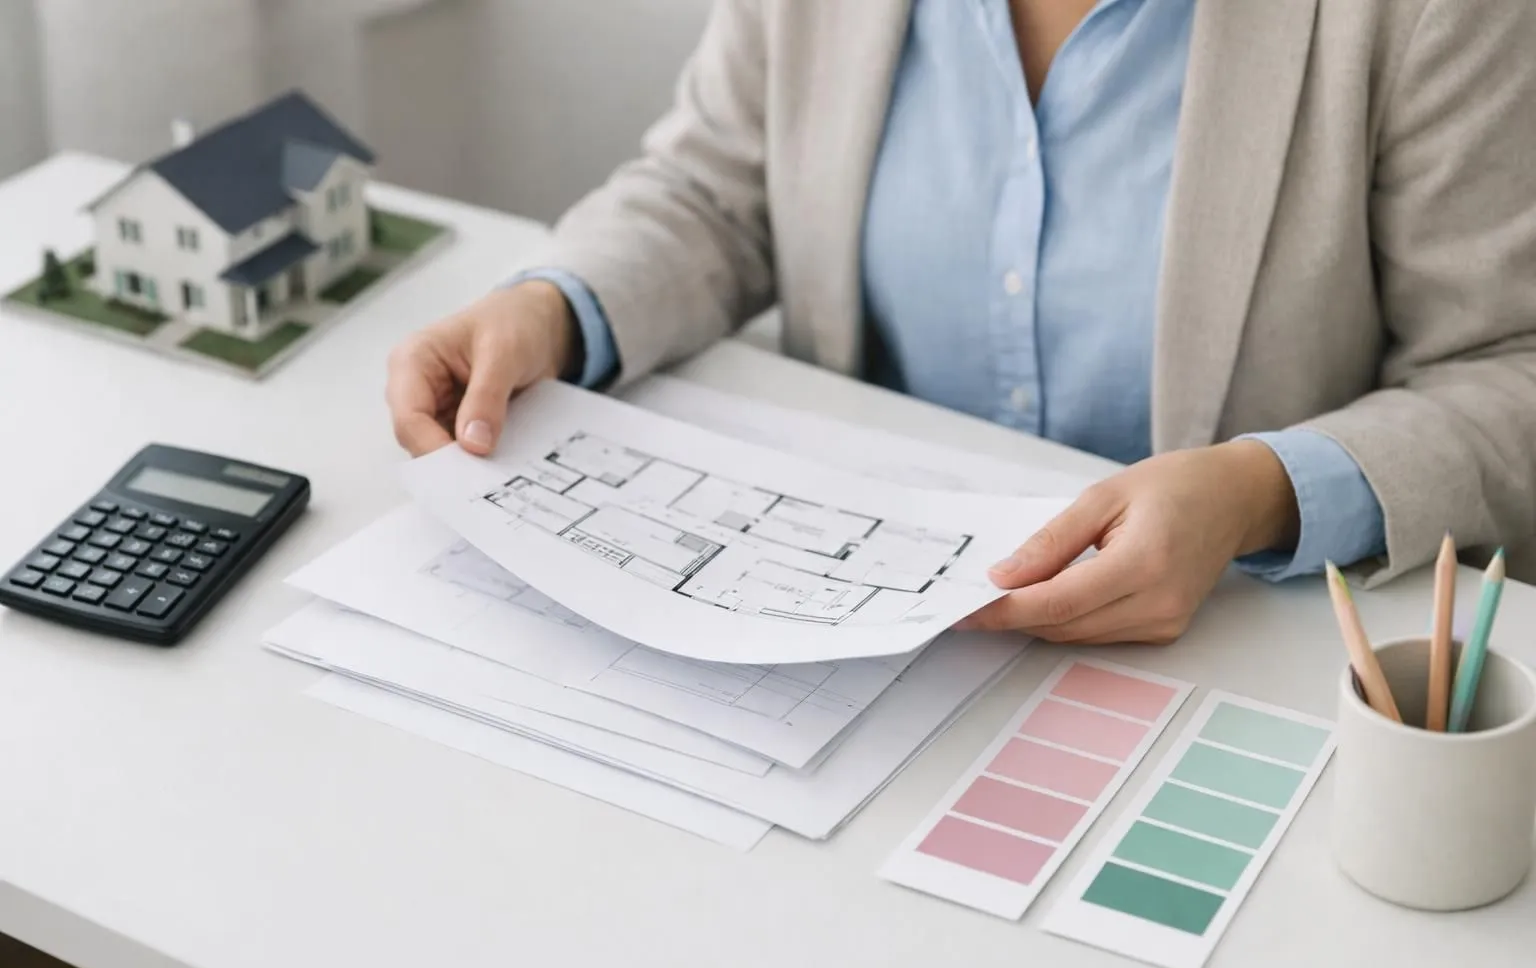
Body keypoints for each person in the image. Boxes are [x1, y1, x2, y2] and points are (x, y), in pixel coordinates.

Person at [386, 0, 1536, 645]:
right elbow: (712, 192)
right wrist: (553, 304)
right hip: (842, 639)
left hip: (1222, 651)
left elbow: (1506, 370)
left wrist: (1253, 493)